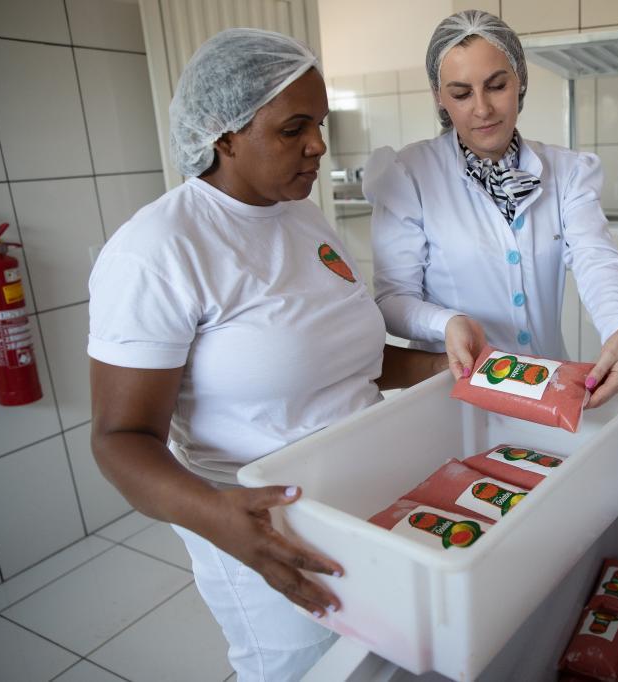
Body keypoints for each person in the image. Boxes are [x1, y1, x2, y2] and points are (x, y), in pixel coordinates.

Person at [87, 29, 446, 681]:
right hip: (262, 529)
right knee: (310, 670)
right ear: (223, 135)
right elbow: (120, 439)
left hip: (365, 496)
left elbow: (343, 360)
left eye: (319, 124)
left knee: (383, 664)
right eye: (293, 128)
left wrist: (441, 366)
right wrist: (217, 519)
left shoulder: (301, 217)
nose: (319, 145)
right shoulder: (158, 250)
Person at [363, 9, 618, 408]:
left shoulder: (567, 172)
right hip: (453, 398)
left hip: (546, 391)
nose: (482, 109)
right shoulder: (408, 175)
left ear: (520, 80)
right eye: (461, 94)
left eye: (496, 86)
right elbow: (393, 299)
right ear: (439, 96)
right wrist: (446, 321)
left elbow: (597, 259)